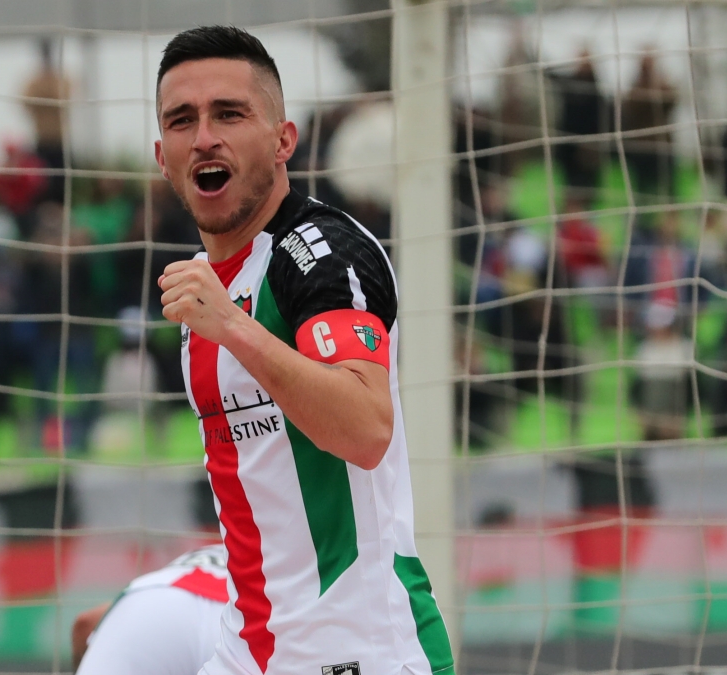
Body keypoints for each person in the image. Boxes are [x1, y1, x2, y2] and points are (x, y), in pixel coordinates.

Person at [153, 26, 454, 675]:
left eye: (229, 113)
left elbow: (367, 427)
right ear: (162, 154)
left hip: (356, 650)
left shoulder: (320, 253)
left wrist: (235, 326)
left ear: (283, 139)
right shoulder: (210, 283)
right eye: (183, 119)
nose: (205, 135)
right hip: (248, 646)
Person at [73, 544, 229, 675]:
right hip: (234, 620)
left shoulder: (208, 551)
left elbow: (85, 622)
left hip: (150, 608)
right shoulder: (247, 553)